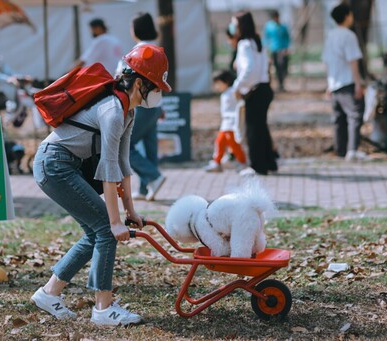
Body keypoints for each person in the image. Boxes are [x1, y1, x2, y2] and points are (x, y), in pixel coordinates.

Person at [30, 44, 171, 326]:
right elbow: (107, 170)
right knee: (105, 230)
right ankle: (103, 309)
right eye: (156, 86)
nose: (158, 93)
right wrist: (116, 221)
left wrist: (129, 211)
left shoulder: (128, 112)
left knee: (96, 232)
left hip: (67, 165)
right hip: (54, 165)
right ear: (140, 83)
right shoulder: (113, 111)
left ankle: (49, 293)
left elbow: (122, 165)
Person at [116, 12, 165, 201]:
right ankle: (146, 189)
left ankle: (153, 177)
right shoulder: (157, 50)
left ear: (135, 29)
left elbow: (121, 76)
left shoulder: (136, 52)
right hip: (155, 104)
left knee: (125, 145)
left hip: (140, 105)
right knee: (150, 146)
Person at [228, 11, 277, 175]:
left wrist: (237, 87)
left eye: (234, 24)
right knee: (261, 128)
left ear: (241, 26)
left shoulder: (245, 45)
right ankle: (269, 162)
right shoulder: (257, 42)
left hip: (254, 91)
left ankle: (257, 166)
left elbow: (249, 69)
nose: (233, 27)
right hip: (265, 88)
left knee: (253, 130)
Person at [322, 3, 366, 161]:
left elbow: (326, 61)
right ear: (347, 16)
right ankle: (352, 150)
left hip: (334, 83)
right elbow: (353, 61)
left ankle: (340, 150)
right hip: (347, 82)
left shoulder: (330, 35)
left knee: (338, 119)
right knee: (355, 115)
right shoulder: (349, 36)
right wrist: (358, 83)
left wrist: (329, 83)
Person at [204, 70, 247, 173]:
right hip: (225, 124)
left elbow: (240, 104)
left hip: (232, 123)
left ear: (226, 82)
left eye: (218, 83)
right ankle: (216, 162)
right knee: (219, 142)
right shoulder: (225, 94)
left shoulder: (233, 91)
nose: (216, 86)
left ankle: (242, 162)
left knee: (234, 144)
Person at [263, 10, 291, 92]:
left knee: (284, 67)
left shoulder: (283, 27)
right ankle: (280, 84)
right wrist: (266, 49)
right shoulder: (269, 27)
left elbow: (287, 38)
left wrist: (286, 48)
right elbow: (266, 38)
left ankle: (282, 82)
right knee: (277, 68)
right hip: (274, 50)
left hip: (283, 50)